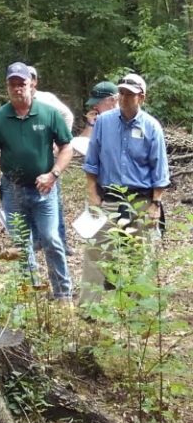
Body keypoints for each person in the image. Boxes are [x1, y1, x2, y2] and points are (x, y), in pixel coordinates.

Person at [0, 62, 74, 301]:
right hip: (12, 191)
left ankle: (63, 294)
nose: (17, 89)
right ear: (7, 86)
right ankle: (31, 294)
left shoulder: (48, 113)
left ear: (31, 84)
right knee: (22, 245)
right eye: (12, 84)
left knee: (51, 239)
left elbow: (67, 147)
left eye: (21, 83)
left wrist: (53, 174)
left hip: (44, 189)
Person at [81, 73, 169, 303]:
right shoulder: (103, 122)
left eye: (130, 94)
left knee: (142, 257)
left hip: (141, 199)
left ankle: (140, 310)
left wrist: (155, 204)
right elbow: (92, 161)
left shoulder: (152, 127)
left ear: (142, 97)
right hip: (108, 197)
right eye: (121, 93)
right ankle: (88, 309)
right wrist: (92, 193)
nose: (124, 98)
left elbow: (159, 170)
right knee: (94, 251)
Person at [29, 66, 74, 254]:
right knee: (30, 200)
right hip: (29, 160)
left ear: (35, 81)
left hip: (48, 160)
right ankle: (37, 240)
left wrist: (60, 141)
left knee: (53, 199)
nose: (26, 83)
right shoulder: (18, 102)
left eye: (30, 79)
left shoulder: (46, 99)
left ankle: (61, 241)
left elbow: (67, 115)